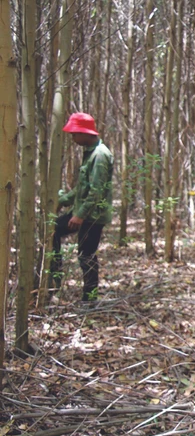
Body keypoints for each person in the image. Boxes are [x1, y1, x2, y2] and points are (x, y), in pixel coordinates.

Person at [51, 113, 114, 302]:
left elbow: (97, 191)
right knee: (53, 229)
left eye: (75, 134)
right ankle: (54, 281)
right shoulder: (91, 153)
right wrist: (62, 200)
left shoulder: (100, 155)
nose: (73, 138)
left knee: (86, 255)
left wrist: (79, 215)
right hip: (85, 211)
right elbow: (82, 189)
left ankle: (90, 298)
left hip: (93, 216)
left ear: (84, 133)